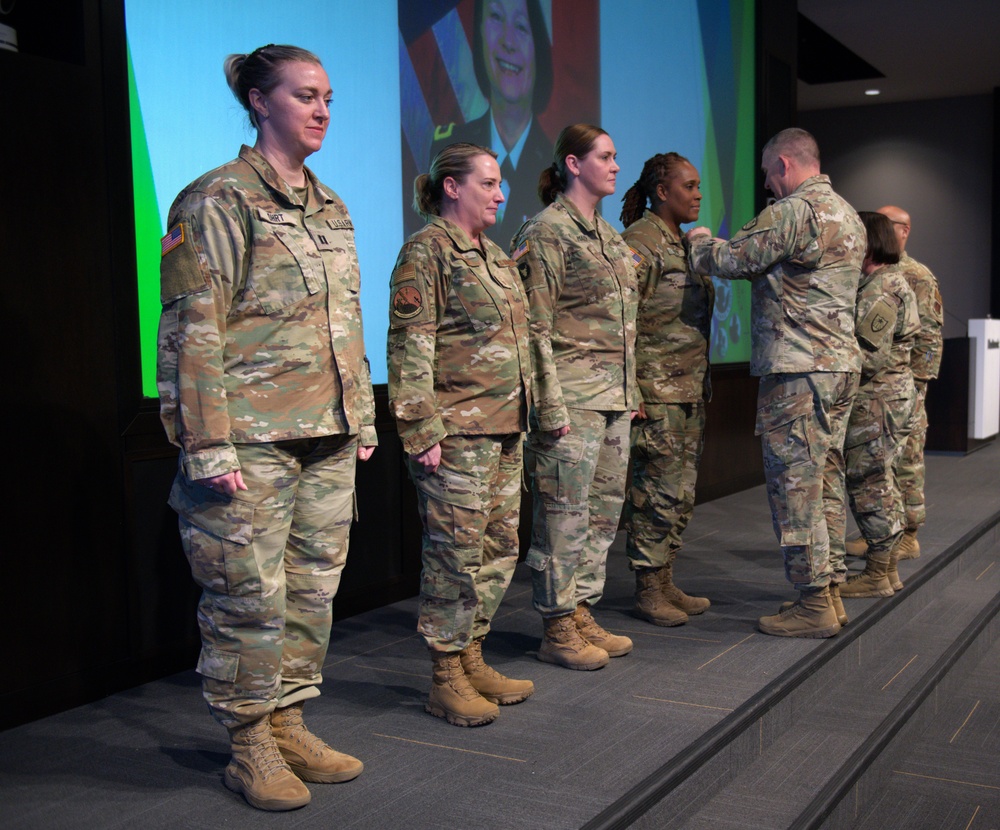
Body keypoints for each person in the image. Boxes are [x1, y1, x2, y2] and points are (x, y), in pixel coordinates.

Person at [156, 44, 377, 812]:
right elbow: (194, 330)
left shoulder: (332, 204)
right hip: (248, 440)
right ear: (259, 101)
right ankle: (249, 741)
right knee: (246, 597)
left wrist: (363, 416)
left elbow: (344, 321)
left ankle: (288, 722)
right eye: (304, 95)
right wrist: (206, 443)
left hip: (327, 434)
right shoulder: (215, 200)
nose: (321, 110)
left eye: (328, 97)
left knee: (312, 594)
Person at [687, 128, 864, 638]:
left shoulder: (793, 212)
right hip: (837, 368)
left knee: (795, 488)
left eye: (768, 174)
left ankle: (812, 602)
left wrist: (699, 241)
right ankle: (828, 590)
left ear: (784, 165)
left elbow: (733, 259)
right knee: (825, 481)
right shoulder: (846, 213)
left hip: (799, 372)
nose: (769, 184)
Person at [387, 143, 535, 727]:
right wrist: (420, 428)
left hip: (504, 430)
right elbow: (410, 346)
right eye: (490, 183)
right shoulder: (427, 253)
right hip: (456, 436)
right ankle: (445, 675)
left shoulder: (495, 257)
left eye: (500, 185)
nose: (501, 194)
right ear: (453, 187)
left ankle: (472, 654)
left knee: (498, 550)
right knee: (454, 556)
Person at [511, 124, 638, 669]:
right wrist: (549, 405)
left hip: (613, 398)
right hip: (572, 399)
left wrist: (631, 392)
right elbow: (534, 328)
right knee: (562, 515)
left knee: (602, 516)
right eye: (605, 157)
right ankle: (557, 623)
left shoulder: (609, 237)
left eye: (615, 156)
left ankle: (582, 608)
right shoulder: (547, 232)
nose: (614, 166)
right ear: (573, 163)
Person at [619, 153, 715, 627]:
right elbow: (620, 320)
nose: (698, 194)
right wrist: (631, 389)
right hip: (655, 392)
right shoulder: (641, 243)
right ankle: (647, 587)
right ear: (662, 190)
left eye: (699, 187)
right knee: (655, 492)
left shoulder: (687, 244)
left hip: (690, 390)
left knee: (680, 494)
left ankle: (665, 576)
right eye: (690, 186)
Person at [847, 206, 942, 560]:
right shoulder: (875, 277)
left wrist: (914, 386)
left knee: (897, 464)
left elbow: (927, 337)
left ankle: (902, 537)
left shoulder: (906, 278)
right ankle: (885, 538)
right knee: (880, 469)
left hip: (893, 387)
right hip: (890, 386)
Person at [836, 212, 920, 599]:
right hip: (886, 399)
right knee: (879, 482)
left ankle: (877, 573)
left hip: (878, 402)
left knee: (869, 484)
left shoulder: (881, 288)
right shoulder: (883, 282)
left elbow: (870, 356)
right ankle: (885, 573)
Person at [431, 0, 553, 246]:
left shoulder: (555, 164)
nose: (508, 42)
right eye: (496, 17)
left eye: (520, 26)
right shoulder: (448, 147)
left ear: (538, 45)